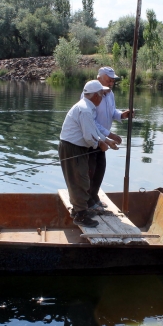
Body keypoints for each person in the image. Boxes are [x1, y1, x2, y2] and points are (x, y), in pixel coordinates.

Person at [60, 80, 119, 227]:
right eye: (101, 94)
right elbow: (88, 136)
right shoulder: (85, 109)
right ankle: (80, 215)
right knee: (80, 180)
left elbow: (94, 130)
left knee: (80, 179)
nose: (103, 97)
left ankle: (78, 210)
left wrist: (107, 140)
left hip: (75, 147)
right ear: (95, 95)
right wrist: (100, 144)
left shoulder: (88, 107)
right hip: (72, 147)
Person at [84, 67, 133, 210]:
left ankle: (94, 197)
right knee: (90, 169)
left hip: (103, 139)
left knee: (100, 168)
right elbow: (92, 121)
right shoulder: (90, 94)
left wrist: (122, 115)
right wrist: (109, 135)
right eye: (109, 79)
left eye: (113, 80)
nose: (111, 82)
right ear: (99, 78)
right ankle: (88, 201)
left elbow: (112, 112)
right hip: (92, 138)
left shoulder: (110, 94)